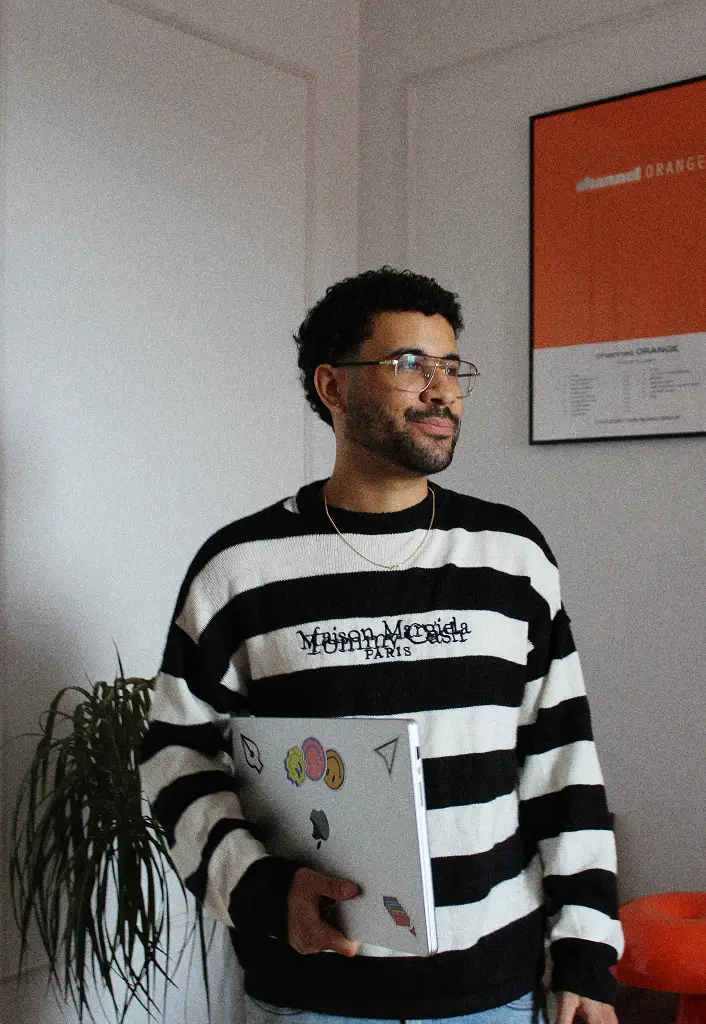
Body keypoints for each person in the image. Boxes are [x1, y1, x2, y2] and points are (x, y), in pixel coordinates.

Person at [140, 267, 624, 1024]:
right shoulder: (241, 568)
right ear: (333, 387)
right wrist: (265, 892)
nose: (442, 390)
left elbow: (564, 763)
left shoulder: (511, 556)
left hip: (492, 989)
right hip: (312, 993)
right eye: (409, 364)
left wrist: (587, 957)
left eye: (452, 366)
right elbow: (176, 756)